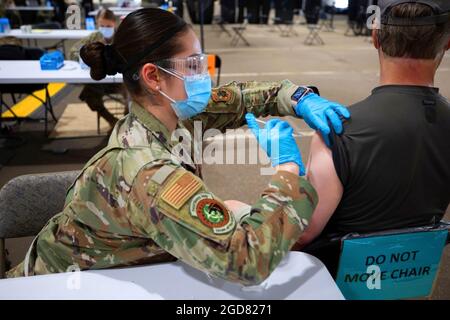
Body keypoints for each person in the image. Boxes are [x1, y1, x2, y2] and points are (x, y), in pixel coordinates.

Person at [7, 8, 349, 284]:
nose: (203, 75)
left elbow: (241, 98)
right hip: (52, 289)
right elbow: (245, 260)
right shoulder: (147, 170)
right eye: (193, 65)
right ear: (154, 77)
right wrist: (288, 170)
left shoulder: (171, 110)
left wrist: (298, 98)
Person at [294, 0, 450, 274]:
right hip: (411, 274)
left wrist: (286, 171)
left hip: (336, 280)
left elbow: (301, 234)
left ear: (375, 37)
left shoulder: (337, 130)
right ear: (447, 43)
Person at [69, 8, 127, 128]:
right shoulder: (93, 37)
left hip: (120, 80)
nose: (105, 28)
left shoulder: (122, 37)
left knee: (134, 92)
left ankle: (127, 122)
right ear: (97, 24)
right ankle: (112, 120)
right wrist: (85, 59)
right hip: (99, 79)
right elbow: (73, 51)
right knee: (89, 94)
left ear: (114, 23)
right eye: (102, 25)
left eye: (108, 25)